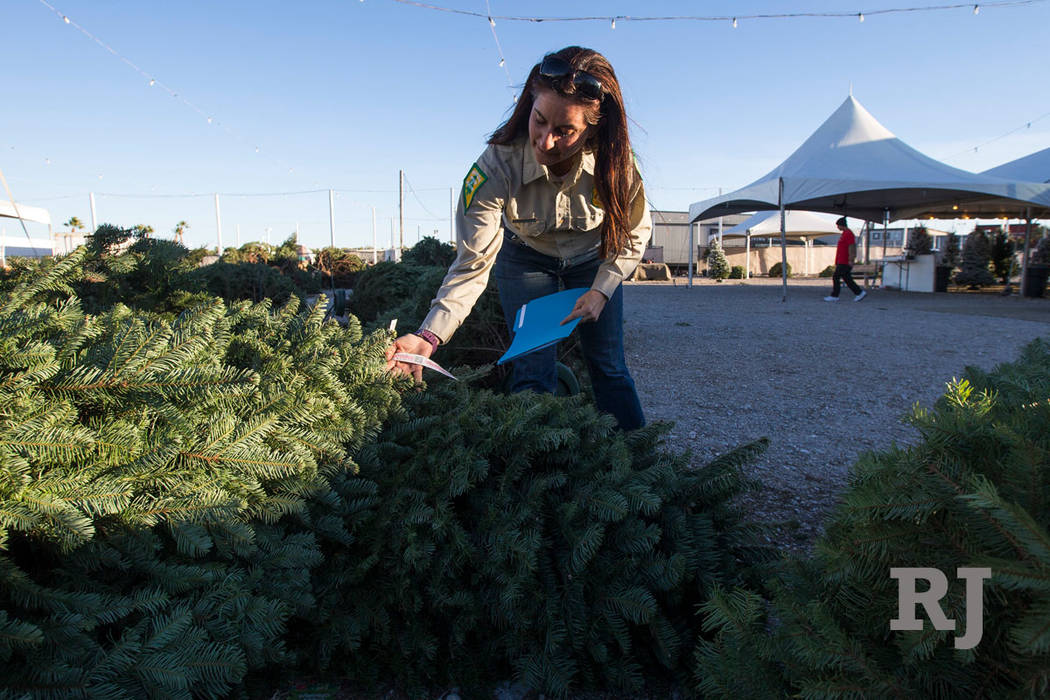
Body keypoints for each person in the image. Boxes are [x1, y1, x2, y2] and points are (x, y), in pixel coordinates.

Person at [386, 46, 652, 430]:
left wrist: (602, 289)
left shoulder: (615, 162)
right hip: (525, 260)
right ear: (530, 100)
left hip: (593, 263)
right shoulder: (494, 167)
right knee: (531, 374)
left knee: (609, 368)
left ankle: (641, 463)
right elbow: (472, 263)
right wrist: (430, 335)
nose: (545, 142)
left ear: (593, 128)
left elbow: (634, 232)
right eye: (539, 120)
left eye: (565, 131)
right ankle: (534, 475)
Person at [824, 216, 867, 302]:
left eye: (838, 225)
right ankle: (859, 292)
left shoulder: (848, 234)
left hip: (845, 261)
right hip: (842, 260)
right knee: (847, 278)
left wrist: (851, 259)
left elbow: (851, 247)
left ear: (842, 225)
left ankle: (835, 295)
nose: (837, 227)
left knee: (836, 277)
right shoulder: (844, 234)